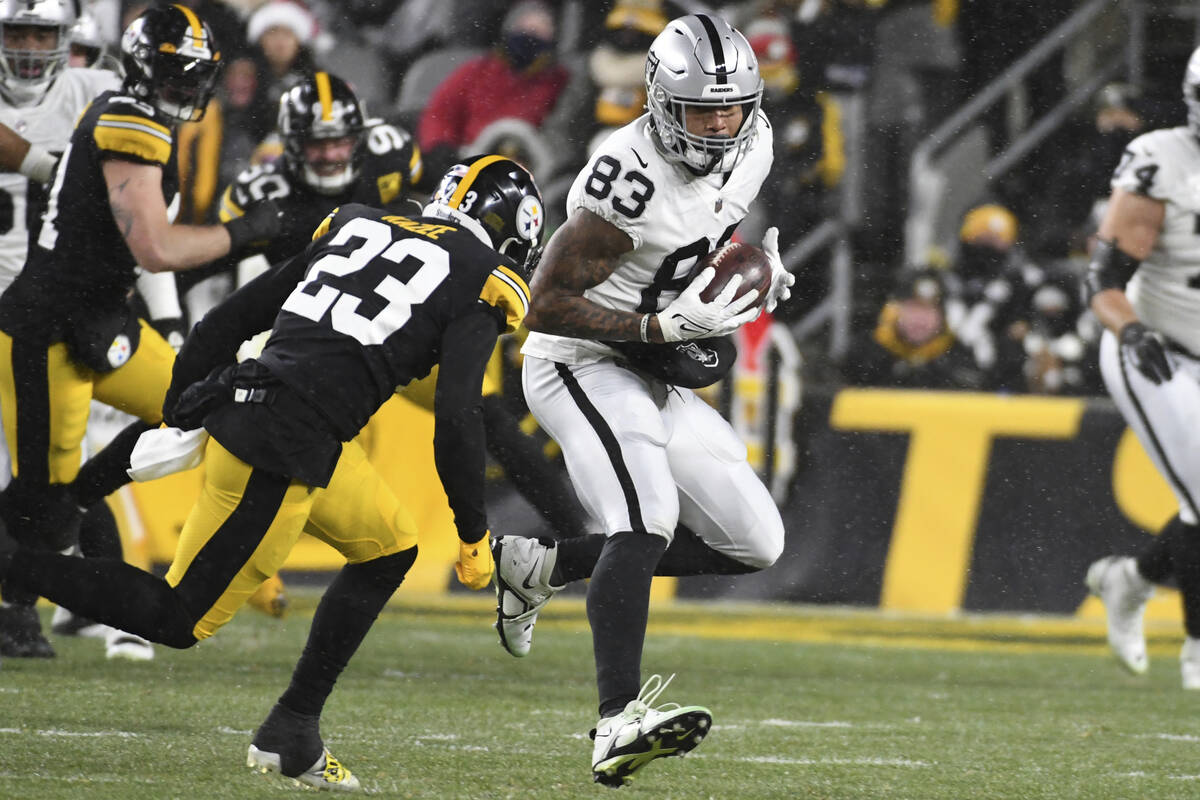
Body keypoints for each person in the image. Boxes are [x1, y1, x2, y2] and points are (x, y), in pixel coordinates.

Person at [0, 154, 545, 789]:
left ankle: (292, 730)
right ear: (509, 232)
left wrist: (180, 405)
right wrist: (474, 533)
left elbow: (223, 321)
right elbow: (457, 414)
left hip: (264, 403)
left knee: (389, 546)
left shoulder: (359, 223)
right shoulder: (485, 276)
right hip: (286, 442)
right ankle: (11, 560)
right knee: (178, 619)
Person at [492, 13, 791, 787]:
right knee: (645, 515)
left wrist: (744, 273)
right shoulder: (625, 174)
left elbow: (696, 241)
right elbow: (544, 303)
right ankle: (617, 722)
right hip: (580, 358)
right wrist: (659, 322)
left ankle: (543, 567)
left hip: (650, 352)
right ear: (660, 101)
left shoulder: (754, 143)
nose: (721, 125)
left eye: (732, 107)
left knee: (756, 542)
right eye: (702, 110)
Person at [0, 4, 283, 657]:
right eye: (174, 73)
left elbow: (143, 249)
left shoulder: (140, 115)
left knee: (200, 400)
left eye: (195, 75)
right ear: (142, 69)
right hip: (44, 327)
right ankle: (17, 602)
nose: (187, 87)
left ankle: (87, 537)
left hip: (102, 318)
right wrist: (251, 231)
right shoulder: (128, 118)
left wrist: (171, 325)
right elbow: (156, 247)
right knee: (42, 497)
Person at [1084, 45, 1200, 690]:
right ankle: (1197, 655)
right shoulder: (1165, 160)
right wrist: (1129, 330)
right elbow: (1104, 275)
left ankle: (1130, 581)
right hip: (1156, 346)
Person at [842, 267, 982, 390]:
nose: (920, 320)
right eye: (913, 309)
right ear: (893, 311)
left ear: (943, 316)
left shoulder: (957, 358)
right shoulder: (865, 352)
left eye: (929, 311)